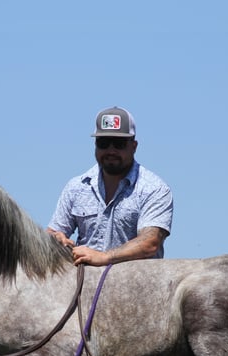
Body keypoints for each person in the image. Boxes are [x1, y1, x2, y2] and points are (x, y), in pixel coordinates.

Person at [46, 106, 173, 267]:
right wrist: (55, 238)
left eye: (119, 143)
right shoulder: (76, 187)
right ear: (95, 144)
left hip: (138, 288)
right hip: (84, 286)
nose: (111, 150)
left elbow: (150, 242)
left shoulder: (155, 189)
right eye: (104, 142)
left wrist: (104, 257)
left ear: (134, 146)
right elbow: (53, 232)